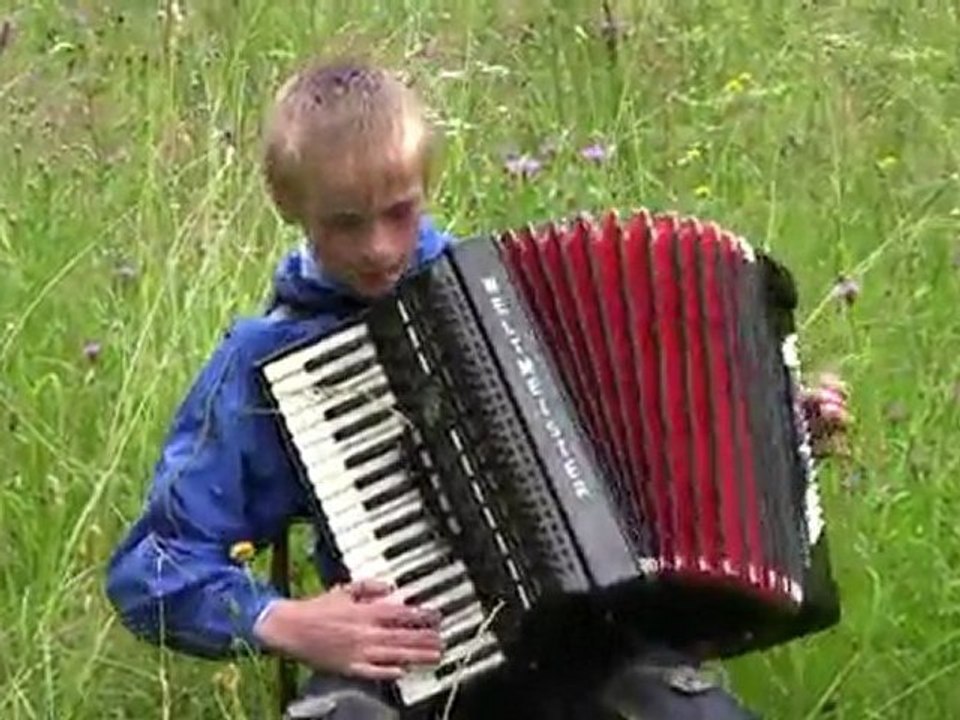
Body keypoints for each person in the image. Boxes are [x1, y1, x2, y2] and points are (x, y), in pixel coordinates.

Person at [105, 57, 850, 720]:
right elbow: (153, 566)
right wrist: (288, 622)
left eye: (400, 212)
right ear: (288, 205)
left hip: (596, 645)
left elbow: (668, 437)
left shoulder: (517, 297)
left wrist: (777, 433)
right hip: (402, 667)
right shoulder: (270, 360)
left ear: (426, 185)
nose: (379, 248)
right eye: (345, 224)